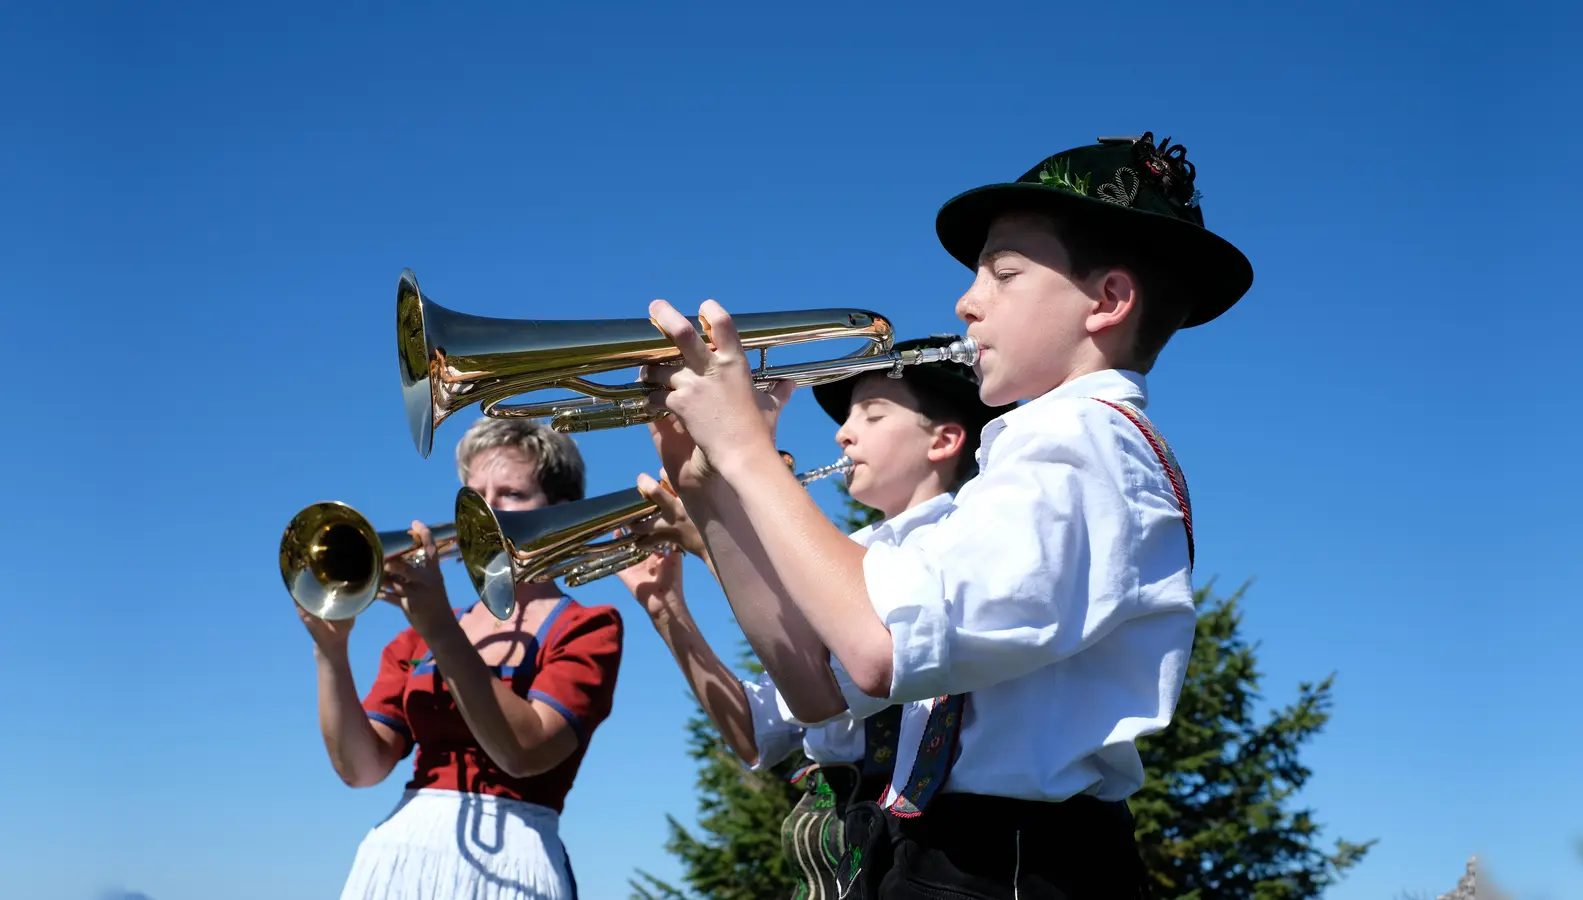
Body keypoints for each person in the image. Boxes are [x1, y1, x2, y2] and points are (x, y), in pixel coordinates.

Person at [635, 131, 1253, 898]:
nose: (966, 301)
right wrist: (707, 480)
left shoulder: (1088, 444)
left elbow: (880, 647)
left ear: (1107, 302)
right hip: (949, 848)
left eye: (1004, 273)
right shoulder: (1037, 456)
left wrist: (748, 453)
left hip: (1017, 861)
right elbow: (818, 688)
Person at [614, 338, 1013, 900]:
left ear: (944, 440)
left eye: (873, 415)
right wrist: (667, 608)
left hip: (953, 853)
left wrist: (723, 514)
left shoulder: (966, 539)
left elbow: (836, 682)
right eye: (846, 418)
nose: (843, 434)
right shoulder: (848, 554)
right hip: (839, 849)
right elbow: (757, 733)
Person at [294, 416, 624, 900]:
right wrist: (331, 650)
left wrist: (440, 629)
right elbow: (360, 769)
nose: (484, 513)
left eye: (510, 494)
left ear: (561, 513)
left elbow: (524, 752)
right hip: (401, 852)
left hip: (514, 858)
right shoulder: (417, 638)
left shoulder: (587, 627)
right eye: (474, 497)